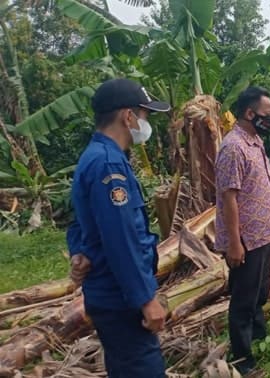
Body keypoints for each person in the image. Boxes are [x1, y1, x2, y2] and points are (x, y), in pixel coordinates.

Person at [66, 78, 171, 377]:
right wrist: (146, 299)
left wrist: (79, 252)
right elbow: (120, 240)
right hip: (120, 299)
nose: (145, 123)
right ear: (128, 116)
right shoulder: (109, 166)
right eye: (145, 115)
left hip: (108, 295)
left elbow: (79, 221)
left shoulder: (93, 157)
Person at [214, 86, 270, 375]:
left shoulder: (255, 141)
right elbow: (228, 197)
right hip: (246, 239)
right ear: (250, 113)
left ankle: (259, 338)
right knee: (243, 299)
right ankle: (242, 359)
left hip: (264, 234)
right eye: (268, 115)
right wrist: (235, 243)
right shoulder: (233, 147)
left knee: (259, 293)